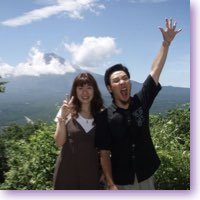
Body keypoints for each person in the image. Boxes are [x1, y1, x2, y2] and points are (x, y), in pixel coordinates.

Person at [95, 18, 182, 190]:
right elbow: (104, 153)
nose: (122, 82)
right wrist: (111, 183)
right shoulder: (104, 117)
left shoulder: (140, 102)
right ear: (109, 88)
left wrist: (166, 43)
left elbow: (154, 72)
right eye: (116, 80)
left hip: (146, 173)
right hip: (122, 180)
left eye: (125, 78)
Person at [53, 72, 104, 190]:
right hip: (67, 172)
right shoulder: (66, 111)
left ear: (94, 90)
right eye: (80, 88)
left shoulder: (102, 115)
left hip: (91, 173)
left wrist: (104, 172)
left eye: (89, 88)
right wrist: (62, 118)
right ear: (75, 91)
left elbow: (105, 148)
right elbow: (59, 143)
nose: (85, 92)